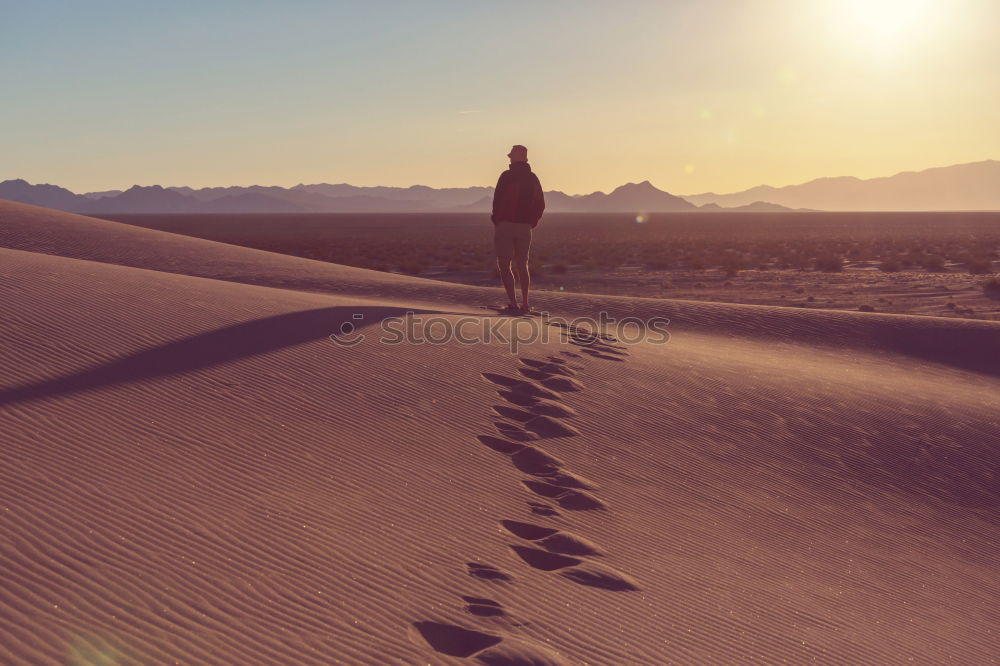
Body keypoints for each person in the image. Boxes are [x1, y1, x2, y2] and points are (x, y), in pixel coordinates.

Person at [491, 144, 545, 313]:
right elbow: (540, 204)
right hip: (524, 227)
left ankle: (513, 303)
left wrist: (497, 220)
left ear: (514, 158)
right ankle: (526, 303)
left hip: (506, 225)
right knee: (523, 264)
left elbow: (497, 201)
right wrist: (531, 222)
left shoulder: (506, 176)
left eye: (511, 156)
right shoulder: (533, 178)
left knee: (505, 264)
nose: (509, 158)